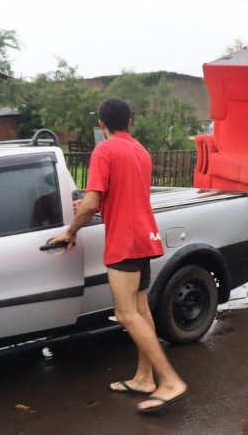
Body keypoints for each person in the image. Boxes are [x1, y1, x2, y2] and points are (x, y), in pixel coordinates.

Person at [49, 98, 187, 413]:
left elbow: (92, 203)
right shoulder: (140, 150)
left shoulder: (105, 150)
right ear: (130, 121)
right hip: (145, 237)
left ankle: (169, 380)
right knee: (140, 310)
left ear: (102, 124)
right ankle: (144, 378)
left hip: (124, 241)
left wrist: (71, 230)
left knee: (125, 314)